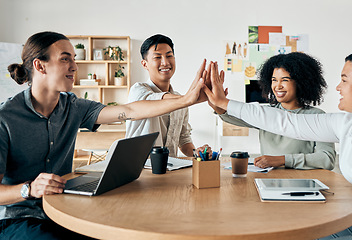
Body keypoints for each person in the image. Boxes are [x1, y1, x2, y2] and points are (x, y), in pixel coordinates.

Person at [0, 31, 207, 239]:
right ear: (40, 65)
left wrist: (187, 100)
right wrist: (28, 189)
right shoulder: (6, 118)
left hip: (64, 211)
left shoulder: (74, 106)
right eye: (65, 58)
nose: (74, 66)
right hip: (19, 218)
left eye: (74, 58)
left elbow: (131, 111)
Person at [203, 50, 352, 239]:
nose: (337, 87)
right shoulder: (348, 124)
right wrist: (224, 102)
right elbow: (284, 121)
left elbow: (324, 158)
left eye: (344, 80)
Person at [212, 52, 336, 170]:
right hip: (268, 180)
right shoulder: (266, 113)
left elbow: (326, 159)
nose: (277, 86)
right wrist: (214, 101)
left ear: (301, 83)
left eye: (285, 80)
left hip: (304, 183)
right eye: (274, 80)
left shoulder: (317, 116)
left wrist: (283, 160)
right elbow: (231, 116)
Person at [125, 34, 211, 158]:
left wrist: (196, 153)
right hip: (140, 171)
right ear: (145, 64)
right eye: (157, 57)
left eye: (169, 56)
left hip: (170, 170)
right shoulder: (138, 91)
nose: (165, 62)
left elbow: (183, 139)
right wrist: (188, 98)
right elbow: (157, 101)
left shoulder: (181, 100)